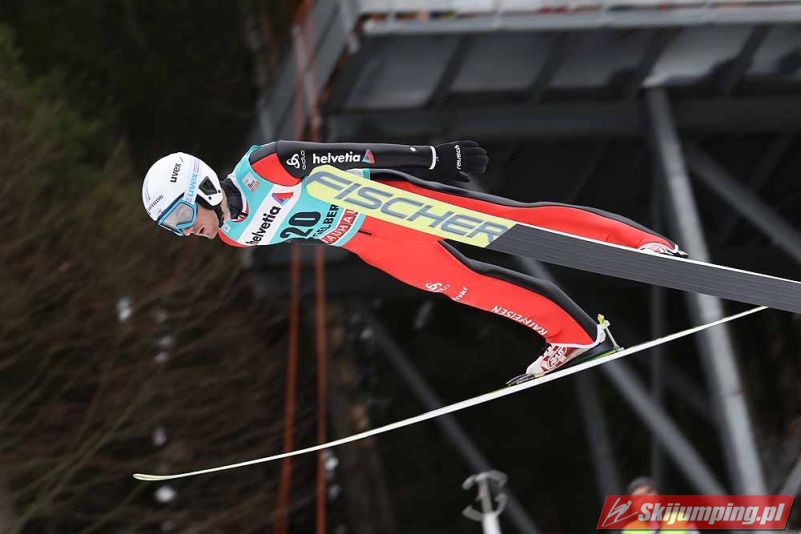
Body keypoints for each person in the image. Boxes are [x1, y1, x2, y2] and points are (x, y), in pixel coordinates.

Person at [142, 141, 685, 381]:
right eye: (173, 227)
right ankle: (576, 336)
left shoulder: (266, 166)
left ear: (203, 187)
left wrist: (432, 157)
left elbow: (350, 153)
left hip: (385, 200)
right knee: (466, 285)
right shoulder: (234, 236)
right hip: (371, 243)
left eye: (183, 215)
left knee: (513, 221)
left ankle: (641, 243)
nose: (187, 230)